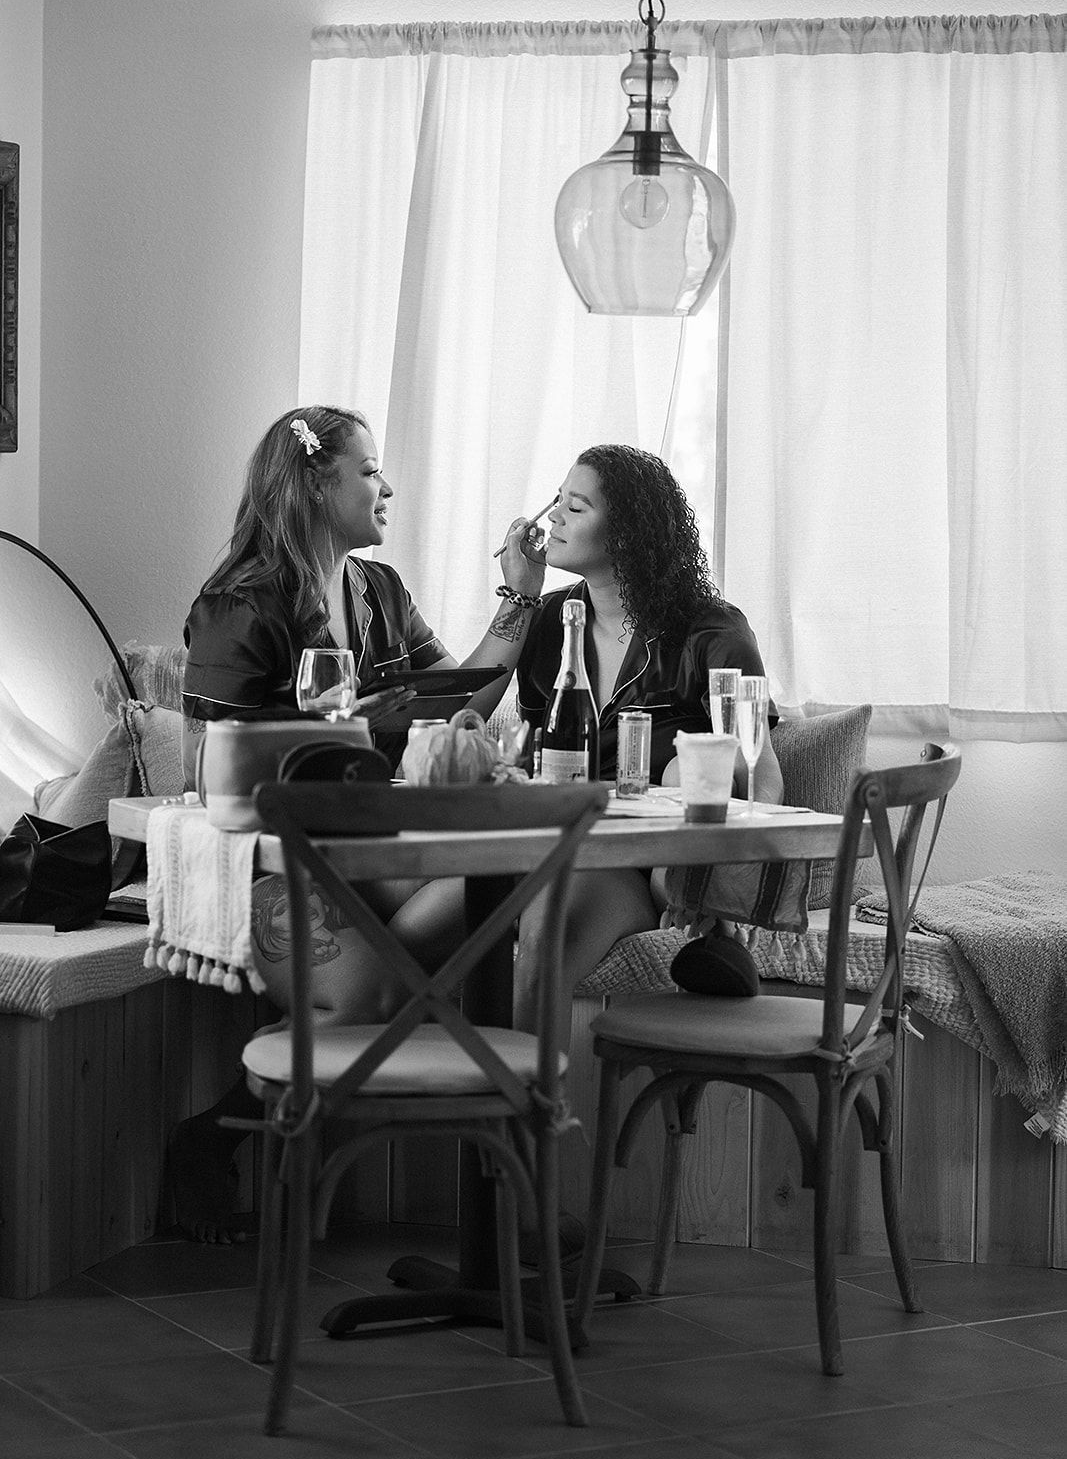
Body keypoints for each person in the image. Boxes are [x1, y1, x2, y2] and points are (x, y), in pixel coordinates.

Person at [171, 404, 547, 1242]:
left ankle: (229, 1142)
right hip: (280, 859)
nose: (387, 486)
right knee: (379, 990)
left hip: (379, 848)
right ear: (314, 482)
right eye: (370, 471)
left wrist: (519, 598)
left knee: (506, 881)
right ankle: (213, 1145)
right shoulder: (242, 601)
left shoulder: (379, 590)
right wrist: (339, 732)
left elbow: (462, 695)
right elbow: (206, 762)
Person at [511, 443, 783, 1015]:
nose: (550, 518)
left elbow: (763, 778)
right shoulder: (551, 623)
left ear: (628, 535)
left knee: (542, 939)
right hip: (548, 840)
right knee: (413, 927)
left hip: (628, 862)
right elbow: (532, 757)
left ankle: (525, 1104)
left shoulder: (712, 632)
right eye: (555, 501)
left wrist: (711, 866)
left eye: (575, 508)